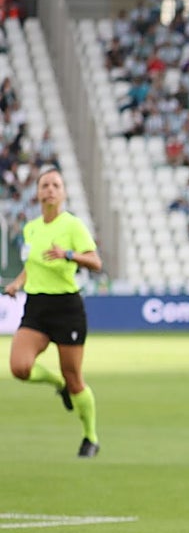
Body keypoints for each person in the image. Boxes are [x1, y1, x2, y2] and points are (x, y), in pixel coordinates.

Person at [4, 167, 103, 457]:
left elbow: (96, 262)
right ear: (37, 193)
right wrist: (18, 282)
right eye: (45, 185)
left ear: (63, 193)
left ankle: (90, 437)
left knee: (75, 379)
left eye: (55, 185)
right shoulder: (31, 228)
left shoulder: (72, 226)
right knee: (19, 367)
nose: (50, 190)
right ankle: (58, 384)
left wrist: (68, 254)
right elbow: (32, 264)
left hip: (66, 308)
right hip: (36, 307)